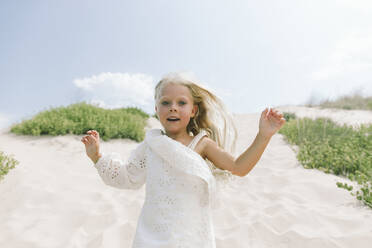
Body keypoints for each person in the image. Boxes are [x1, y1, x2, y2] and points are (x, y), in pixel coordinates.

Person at [81, 72, 286, 247]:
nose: (173, 108)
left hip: (191, 237)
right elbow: (126, 177)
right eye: (165, 102)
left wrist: (263, 135)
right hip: (152, 237)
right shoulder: (151, 145)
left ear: (193, 110)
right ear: (156, 109)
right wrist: (97, 156)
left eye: (181, 103)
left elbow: (238, 167)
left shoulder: (202, 144)